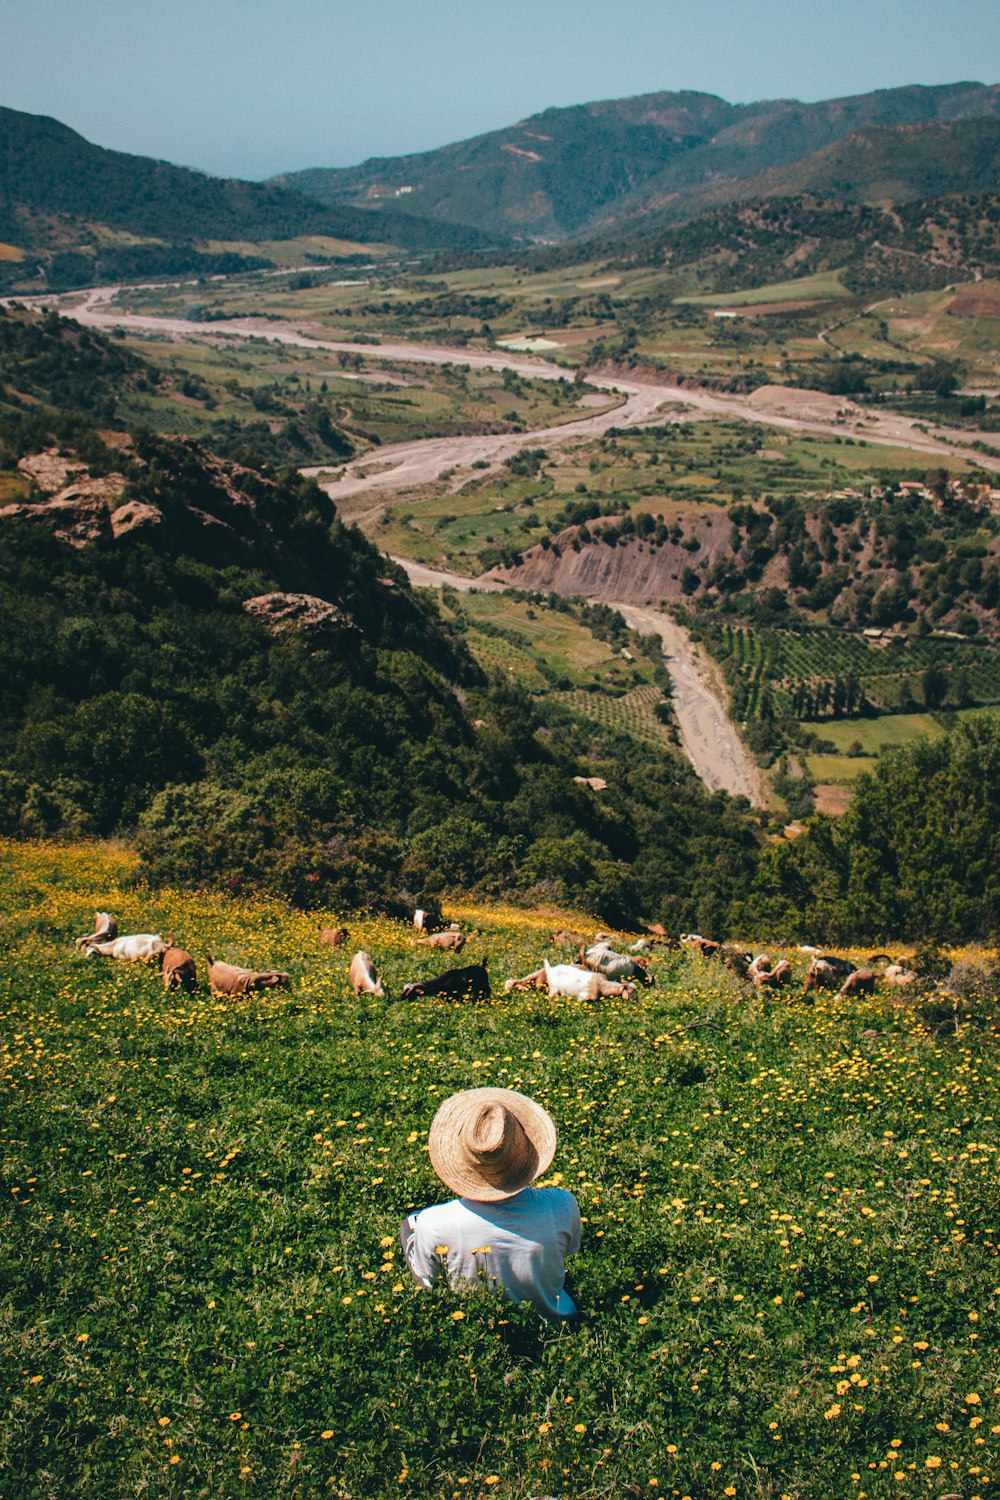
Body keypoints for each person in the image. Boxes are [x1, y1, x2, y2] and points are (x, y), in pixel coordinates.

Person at [399, 1086, 581, 1321]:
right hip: (556, 1324)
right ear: (522, 1146)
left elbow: (431, 1276)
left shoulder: (434, 1222)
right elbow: (568, 1252)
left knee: (409, 1225)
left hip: (476, 1328)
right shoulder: (562, 1204)